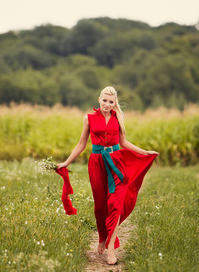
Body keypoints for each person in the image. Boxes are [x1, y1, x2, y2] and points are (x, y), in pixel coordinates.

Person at [57, 86, 158, 265]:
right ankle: (102, 237)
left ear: (114, 103)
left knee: (115, 203)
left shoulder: (117, 118)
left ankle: (111, 248)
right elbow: (81, 144)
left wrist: (144, 152)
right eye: (104, 100)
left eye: (111, 102)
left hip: (116, 163)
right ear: (99, 99)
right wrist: (66, 162)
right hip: (96, 163)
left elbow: (123, 142)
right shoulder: (88, 118)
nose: (107, 104)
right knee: (100, 205)